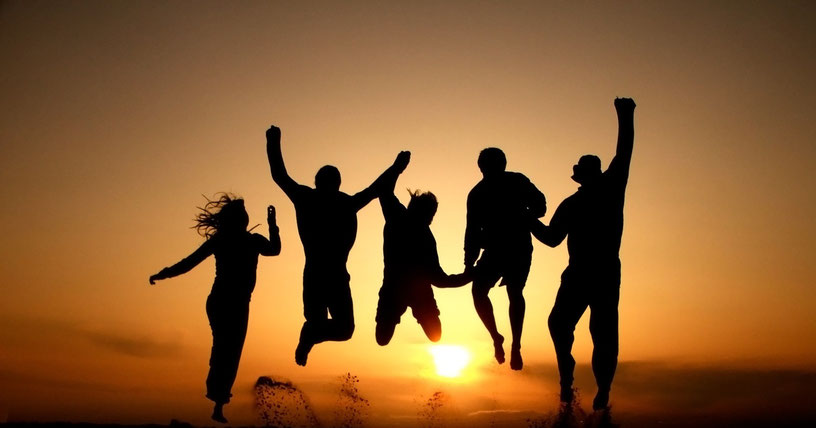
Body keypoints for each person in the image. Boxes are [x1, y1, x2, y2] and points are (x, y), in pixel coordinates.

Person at [265, 124, 410, 366]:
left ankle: (310, 335)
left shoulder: (331, 201)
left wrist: (396, 168)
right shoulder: (312, 199)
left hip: (333, 276)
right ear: (322, 183)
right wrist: (396, 168)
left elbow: (280, 175)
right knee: (325, 325)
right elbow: (374, 189)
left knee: (343, 330)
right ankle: (309, 335)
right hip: (319, 275)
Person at [530, 97, 636, 410]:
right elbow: (551, 238)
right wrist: (528, 221)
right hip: (578, 273)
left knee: (602, 334)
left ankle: (602, 390)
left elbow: (624, 152)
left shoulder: (612, 188)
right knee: (559, 324)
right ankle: (567, 378)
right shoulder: (571, 204)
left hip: (603, 271)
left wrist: (625, 115)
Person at [149, 194, 281, 423]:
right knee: (225, 348)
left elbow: (274, 250)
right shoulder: (223, 240)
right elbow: (189, 262)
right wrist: (165, 273)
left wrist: (273, 226)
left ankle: (218, 404)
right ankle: (217, 397)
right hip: (222, 301)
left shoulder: (252, 240)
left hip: (238, 304)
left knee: (230, 351)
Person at [375, 152, 471, 345]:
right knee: (382, 339)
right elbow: (384, 189)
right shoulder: (399, 218)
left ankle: (413, 314)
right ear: (421, 211)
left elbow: (439, 278)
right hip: (394, 288)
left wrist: (470, 275)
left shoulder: (420, 233)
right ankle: (395, 316)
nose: (431, 219)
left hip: (417, 291)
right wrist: (397, 168)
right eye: (431, 214)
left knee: (435, 335)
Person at [465, 147, 547, 370]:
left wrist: (525, 215)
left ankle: (516, 345)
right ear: (482, 168)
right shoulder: (477, 194)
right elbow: (471, 230)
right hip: (493, 251)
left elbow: (541, 205)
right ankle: (497, 338)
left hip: (518, 248)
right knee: (479, 292)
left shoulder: (517, 181)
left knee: (514, 292)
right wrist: (468, 262)